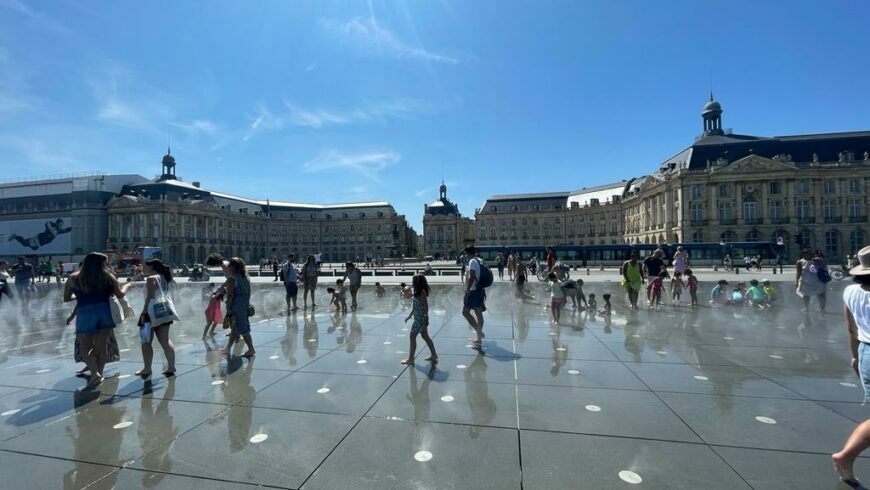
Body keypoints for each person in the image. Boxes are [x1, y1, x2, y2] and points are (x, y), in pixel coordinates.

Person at [833, 246, 870, 485]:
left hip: (866, 352)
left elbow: (851, 330)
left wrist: (855, 356)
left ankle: (846, 457)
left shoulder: (851, 291)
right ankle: (845, 456)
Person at [62, 252, 127, 389]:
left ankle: (94, 373)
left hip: (85, 314)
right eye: (106, 263)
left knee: (86, 348)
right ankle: (100, 374)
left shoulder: (73, 278)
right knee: (101, 346)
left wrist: (80, 296)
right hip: (104, 312)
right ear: (100, 264)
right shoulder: (108, 276)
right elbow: (120, 294)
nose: (107, 265)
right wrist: (128, 286)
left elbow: (66, 298)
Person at [136, 259, 178, 377]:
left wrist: (144, 311)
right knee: (165, 340)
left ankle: (147, 369)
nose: (142, 268)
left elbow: (150, 297)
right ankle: (171, 366)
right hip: (164, 312)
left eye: (145, 266)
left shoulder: (151, 278)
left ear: (152, 267)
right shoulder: (165, 277)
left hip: (150, 313)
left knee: (145, 341)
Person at [401, 274, 437, 365]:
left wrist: (426, 317)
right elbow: (415, 307)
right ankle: (434, 354)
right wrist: (409, 316)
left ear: (417, 282)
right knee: (425, 337)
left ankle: (411, 359)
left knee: (412, 337)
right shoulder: (417, 292)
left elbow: (425, 305)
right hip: (418, 319)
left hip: (420, 320)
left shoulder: (421, 293)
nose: (412, 282)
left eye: (413, 281)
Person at [224, 257, 255, 358]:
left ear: (234, 267)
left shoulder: (233, 278)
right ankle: (228, 348)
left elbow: (230, 295)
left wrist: (228, 309)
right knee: (235, 328)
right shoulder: (245, 277)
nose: (228, 267)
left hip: (236, 305)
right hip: (245, 304)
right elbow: (249, 292)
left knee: (242, 328)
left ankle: (251, 349)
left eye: (230, 265)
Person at [462, 246, 486, 344]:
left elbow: (472, 277)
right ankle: (478, 338)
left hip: (473, 291)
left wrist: (467, 290)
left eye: (465, 254)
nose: (465, 256)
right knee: (478, 313)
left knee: (465, 312)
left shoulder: (472, 261)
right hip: (479, 290)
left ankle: (479, 332)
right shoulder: (478, 260)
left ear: (468, 254)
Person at [796, 249, 828, 313]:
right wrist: (796, 281)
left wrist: (819, 262)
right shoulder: (800, 262)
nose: (810, 255)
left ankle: (822, 309)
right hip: (806, 281)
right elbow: (798, 272)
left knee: (821, 294)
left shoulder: (817, 260)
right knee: (806, 295)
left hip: (817, 280)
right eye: (808, 254)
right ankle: (806, 307)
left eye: (811, 254)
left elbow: (824, 267)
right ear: (804, 255)